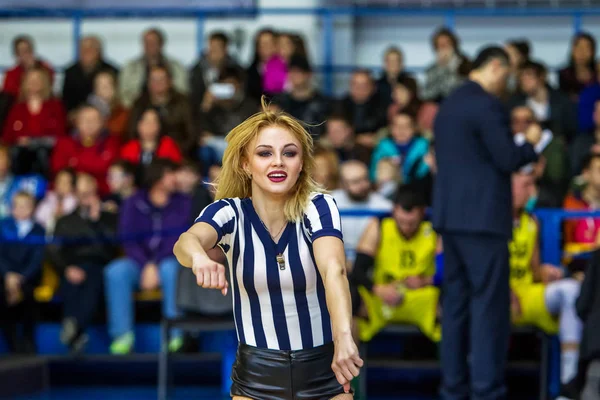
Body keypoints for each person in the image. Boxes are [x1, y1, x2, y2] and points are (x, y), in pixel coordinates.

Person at [173, 98, 363, 400]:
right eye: (265, 153)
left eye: (289, 153)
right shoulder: (229, 212)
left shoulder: (319, 206)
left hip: (325, 368)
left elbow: (334, 270)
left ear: (301, 164)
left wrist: (344, 336)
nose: (278, 162)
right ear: (246, 164)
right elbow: (187, 241)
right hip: (257, 374)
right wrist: (199, 259)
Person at [432, 46, 542, 400]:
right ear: (495, 66)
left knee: (455, 308)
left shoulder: (448, 105)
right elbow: (508, 157)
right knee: (488, 310)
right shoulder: (488, 104)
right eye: (507, 73)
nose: (506, 81)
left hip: (450, 220)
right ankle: (486, 390)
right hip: (484, 222)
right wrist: (530, 143)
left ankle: (453, 388)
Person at [509, 172, 582, 387]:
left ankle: (568, 385)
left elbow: (534, 270)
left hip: (526, 293)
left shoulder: (531, 222)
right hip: (495, 294)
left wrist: (546, 272)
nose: (531, 191)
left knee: (571, 290)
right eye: (525, 185)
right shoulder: (488, 219)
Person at [350, 184, 441, 344]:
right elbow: (358, 271)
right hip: (381, 296)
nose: (406, 227)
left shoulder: (434, 229)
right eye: (401, 222)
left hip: (423, 296)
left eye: (411, 223)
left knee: (455, 302)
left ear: (422, 213)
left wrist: (426, 281)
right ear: (394, 211)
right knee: (348, 299)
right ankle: (348, 367)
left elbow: (450, 272)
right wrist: (378, 289)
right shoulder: (379, 226)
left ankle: (454, 364)